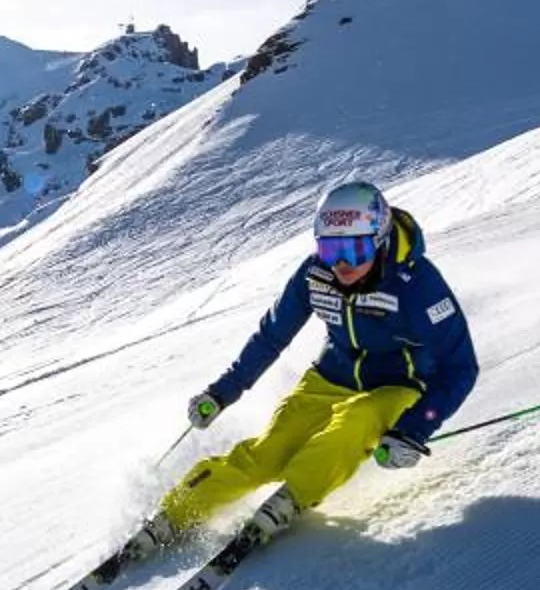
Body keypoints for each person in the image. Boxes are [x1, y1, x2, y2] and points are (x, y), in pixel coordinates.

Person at [158, 179, 479, 537]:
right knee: (269, 453)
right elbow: (272, 336)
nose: (341, 265)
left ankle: (293, 496)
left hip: (398, 384)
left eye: (354, 252)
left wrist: (416, 428)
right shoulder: (315, 275)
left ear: (379, 240)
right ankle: (177, 510)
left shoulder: (416, 284)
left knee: (355, 422)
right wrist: (221, 393)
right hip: (329, 376)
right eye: (330, 251)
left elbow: (460, 366)